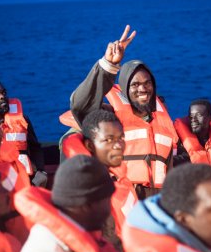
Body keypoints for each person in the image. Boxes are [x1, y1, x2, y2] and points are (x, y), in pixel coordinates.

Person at [69, 25, 178, 199]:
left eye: (147, 83)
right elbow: (80, 105)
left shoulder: (161, 119)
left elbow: (168, 166)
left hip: (159, 203)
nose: (143, 89)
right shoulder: (110, 119)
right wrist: (108, 65)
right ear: (125, 89)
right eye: (135, 85)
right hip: (124, 201)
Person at [60, 109, 137, 241]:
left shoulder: (117, 176)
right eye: (108, 139)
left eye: (120, 138)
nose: (118, 145)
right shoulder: (91, 193)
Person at [0, 79, 48, 187]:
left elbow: (35, 147)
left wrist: (40, 171)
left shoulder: (22, 120)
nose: (2, 96)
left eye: (4, 93)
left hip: (27, 179)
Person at [173, 99, 211, 183]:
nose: (194, 120)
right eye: (191, 116)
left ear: (210, 118)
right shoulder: (180, 143)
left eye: (198, 115)